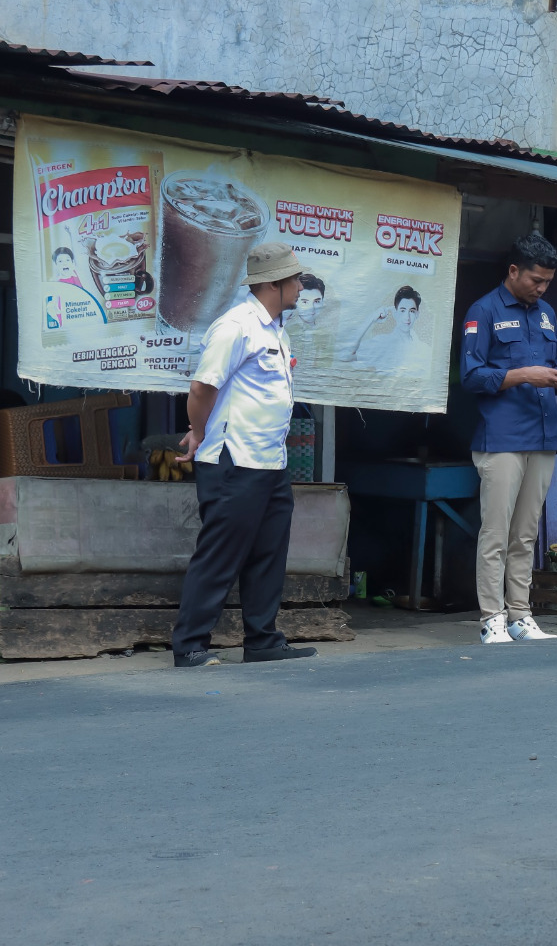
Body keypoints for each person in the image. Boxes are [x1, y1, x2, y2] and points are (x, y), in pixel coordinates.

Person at [169, 243, 319, 667]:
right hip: (234, 461)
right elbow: (202, 388)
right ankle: (191, 645)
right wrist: (200, 433)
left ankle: (262, 640)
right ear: (273, 283)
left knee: (269, 554)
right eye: (294, 279)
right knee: (219, 556)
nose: (299, 285)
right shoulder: (235, 326)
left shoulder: (275, 330)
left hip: (270, 462)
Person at [460, 233, 557, 644]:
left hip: (544, 434)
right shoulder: (484, 311)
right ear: (513, 271)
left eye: (548, 281)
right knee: (496, 532)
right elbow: (471, 376)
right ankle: (491, 617)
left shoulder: (546, 313)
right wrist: (524, 375)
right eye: (536, 280)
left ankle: (520, 615)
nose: (543, 288)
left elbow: (552, 366)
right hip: (502, 437)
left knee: (525, 534)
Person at [346, 285, 426, 375]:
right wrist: (371, 318)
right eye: (402, 310)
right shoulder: (381, 342)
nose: (407, 317)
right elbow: (348, 354)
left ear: (417, 314)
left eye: (411, 311)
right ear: (395, 313)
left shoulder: (424, 350)